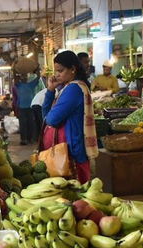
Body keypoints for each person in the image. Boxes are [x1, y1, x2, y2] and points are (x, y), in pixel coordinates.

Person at [41, 50, 99, 183]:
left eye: (60, 71)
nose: (56, 75)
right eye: (56, 71)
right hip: (65, 150)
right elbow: (46, 118)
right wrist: (50, 90)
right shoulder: (66, 88)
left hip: (71, 151)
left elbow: (51, 119)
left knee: (74, 193)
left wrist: (51, 95)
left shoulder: (73, 89)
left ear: (72, 69)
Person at [13, 71, 41, 145]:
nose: (24, 78)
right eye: (23, 77)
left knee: (30, 123)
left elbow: (38, 78)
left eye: (25, 77)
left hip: (30, 107)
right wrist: (15, 70)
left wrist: (37, 69)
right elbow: (15, 78)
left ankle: (29, 139)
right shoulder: (18, 85)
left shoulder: (31, 84)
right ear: (21, 79)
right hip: (21, 107)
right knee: (22, 124)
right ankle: (23, 139)